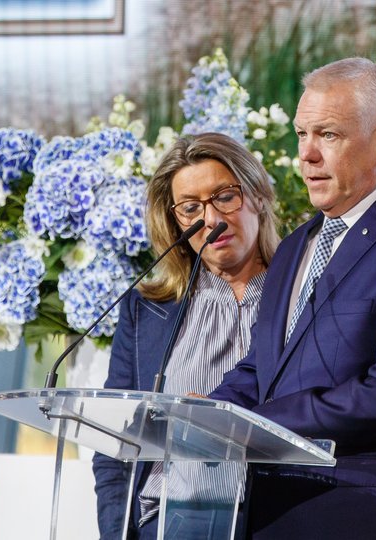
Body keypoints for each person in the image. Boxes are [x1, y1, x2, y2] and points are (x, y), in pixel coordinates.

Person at [208, 58, 376, 539]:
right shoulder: (295, 246)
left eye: (327, 135)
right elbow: (262, 368)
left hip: (366, 518)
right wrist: (207, 413)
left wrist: (253, 421)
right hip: (272, 516)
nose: (306, 155)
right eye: (301, 134)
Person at [92, 132, 280, 539]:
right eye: (191, 208)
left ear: (259, 196)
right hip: (167, 522)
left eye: (225, 197)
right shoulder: (147, 310)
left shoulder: (305, 298)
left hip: (272, 519)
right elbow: (114, 445)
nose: (210, 220)